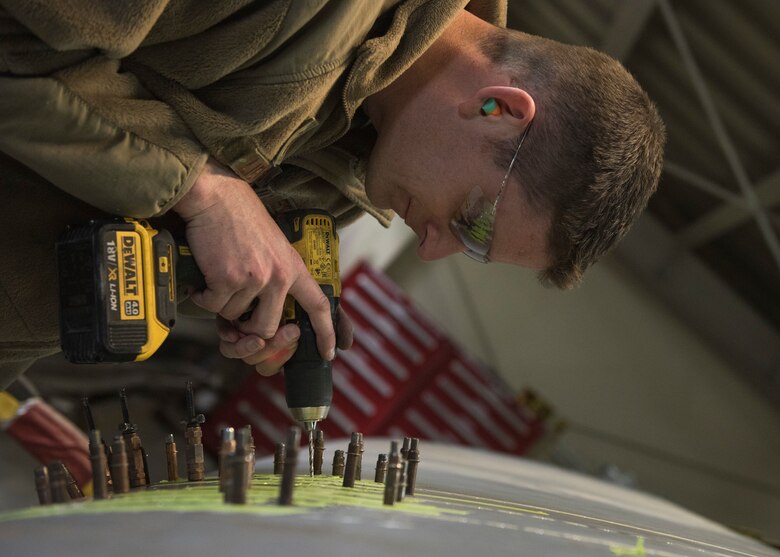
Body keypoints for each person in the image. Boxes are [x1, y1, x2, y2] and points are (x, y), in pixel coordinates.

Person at [0, 0, 665, 388]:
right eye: (474, 223)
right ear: (497, 110)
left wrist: (232, 292)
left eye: (473, 250)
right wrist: (202, 186)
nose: (433, 248)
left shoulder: (362, 165)